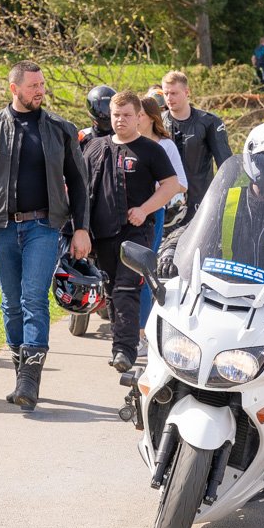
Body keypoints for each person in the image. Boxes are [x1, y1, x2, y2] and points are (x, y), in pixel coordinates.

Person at [158, 118, 264, 412]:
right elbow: (189, 230)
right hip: (212, 300)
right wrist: (170, 252)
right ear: (258, 164)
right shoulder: (227, 199)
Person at [0, 60, 91, 412]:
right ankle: (21, 375)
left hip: (44, 227)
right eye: (33, 86)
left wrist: (81, 229)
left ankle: (30, 380)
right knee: (10, 302)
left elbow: (78, 182)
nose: (40, 91)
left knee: (33, 298)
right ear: (14, 89)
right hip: (0, 227)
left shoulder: (61, 128)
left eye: (42, 84)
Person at [83, 91, 179, 372]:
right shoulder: (95, 147)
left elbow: (171, 185)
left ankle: (125, 350)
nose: (121, 120)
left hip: (137, 233)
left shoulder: (151, 150)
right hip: (102, 233)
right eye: (116, 115)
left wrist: (145, 209)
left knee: (127, 289)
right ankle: (120, 346)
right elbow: (82, 188)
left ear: (139, 116)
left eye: (126, 115)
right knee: (112, 291)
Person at [135, 95, 188, 357]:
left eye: (139, 114)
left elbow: (181, 183)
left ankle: (142, 335)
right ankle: (128, 332)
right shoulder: (124, 142)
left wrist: (153, 189)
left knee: (143, 274)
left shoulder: (165, 146)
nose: (134, 119)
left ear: (151, 118)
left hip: (152, 216)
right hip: (123, 215)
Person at [161, 70, 233, 224]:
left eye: (174, 93)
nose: (169, 98)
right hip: (165, 201)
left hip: (200, 201)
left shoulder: (209, 122)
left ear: (186, 92)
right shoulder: (158, 122)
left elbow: (226, 165)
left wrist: (222, 198)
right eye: (165, 93)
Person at [78, 85, 116, 150]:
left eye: (107, 108)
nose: (104, 115)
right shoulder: (82, 136)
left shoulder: (124, 135)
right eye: (101, 108)